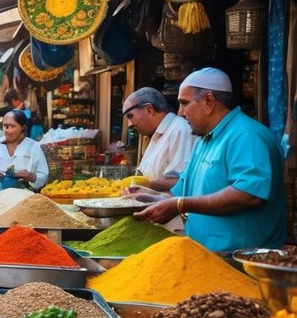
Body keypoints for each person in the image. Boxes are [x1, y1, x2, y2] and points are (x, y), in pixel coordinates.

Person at [134, 68, 286, 251]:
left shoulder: (247, 136)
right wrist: (152, 199)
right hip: (205, 258)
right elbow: (184, 191)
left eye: (184, 103)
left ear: (209, 101)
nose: (180, 113)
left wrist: (179, 205)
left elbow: (248, 195)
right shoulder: (203, 141)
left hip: (241, 263)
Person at [121, 86, 196, 193]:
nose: (129, 124)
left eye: (130, 116)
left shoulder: (180, 130)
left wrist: (139, 184)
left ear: (149, 109)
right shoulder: (156, 133)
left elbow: (180, 182)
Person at [0, 109, 48, 192]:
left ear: (23, 127)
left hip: (26, 199)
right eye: (5, 126)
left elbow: (43, 176)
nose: (8, 131)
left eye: (12, 126)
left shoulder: (34, 147)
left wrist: (32, 177)